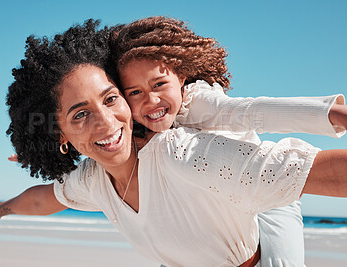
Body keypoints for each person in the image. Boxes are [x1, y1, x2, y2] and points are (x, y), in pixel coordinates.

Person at [0, 20, 347, 267]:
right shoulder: (95, 179)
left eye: (111, 99)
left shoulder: (180, 152)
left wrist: (330, 113)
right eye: (80, 115)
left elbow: (322, 170)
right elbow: (46, 197)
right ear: (59, 135)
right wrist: (2, 211)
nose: (107, 122)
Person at [110, 16, 347, 266]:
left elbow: (253, 112)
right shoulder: (138, 131)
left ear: (181, 77)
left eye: (159, 84)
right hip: (218, 207)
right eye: (135, 92)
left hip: (266, 200)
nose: (151, 100)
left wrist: (333, 114)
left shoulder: (200, 102)